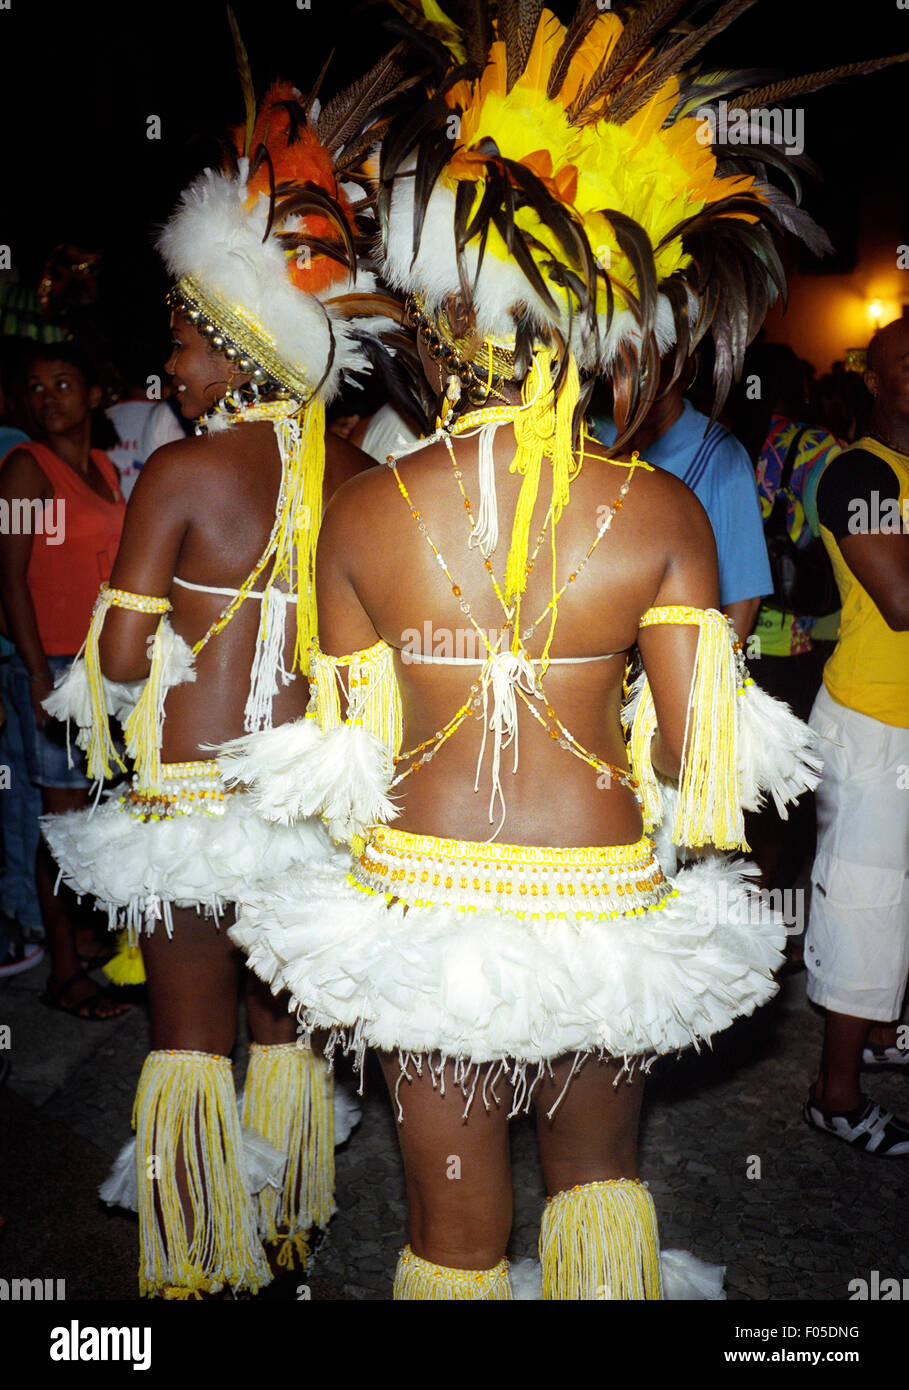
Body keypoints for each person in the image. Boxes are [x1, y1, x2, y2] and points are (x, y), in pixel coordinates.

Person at [225, 5, 826, 1300]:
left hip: (419, 898)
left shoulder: (365, 511)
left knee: (452, 1235)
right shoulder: (661, 510)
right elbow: (695, 761)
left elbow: (345, 752)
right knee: (601, 1183)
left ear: (438, 321)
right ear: (589, 323)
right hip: (600, 895)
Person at [41, 70, 404, 1295]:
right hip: (308, 810)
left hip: (197, 809)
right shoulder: (363, 472)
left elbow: (123, 658)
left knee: (188, 1042)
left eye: (189, 342)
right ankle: (294, 1228)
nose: (172, 363)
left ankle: (202, 1263)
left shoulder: (183, 475)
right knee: (283, 1031)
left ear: (246, 347)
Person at [802, 317, 909, 1156]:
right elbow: (900, 601)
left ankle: (877, 1036)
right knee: (863, 910)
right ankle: (833, 1097)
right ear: (873, 380)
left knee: (894, 904)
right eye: (906, 364)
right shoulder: (859, 473)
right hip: (874, 728)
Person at [0, 340, 130, 1018]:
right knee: (62, 824)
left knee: (100, 814)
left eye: (63, 383)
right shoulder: (24, 469)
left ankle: (86, 937)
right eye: (36, 386)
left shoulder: (106, 466)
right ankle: (63, 973)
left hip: (103, 667)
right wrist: (31, 672)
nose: (49, 396)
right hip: (52, 665)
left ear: (95, 394)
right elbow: (9, 576)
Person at [590, 358, 772, 642]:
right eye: (629, 367)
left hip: (678, 654)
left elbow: (744, 597)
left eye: (655, 368)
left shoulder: (721, 455)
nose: (643, 382)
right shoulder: (601, 440)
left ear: (685, 371)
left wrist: (716, 678)